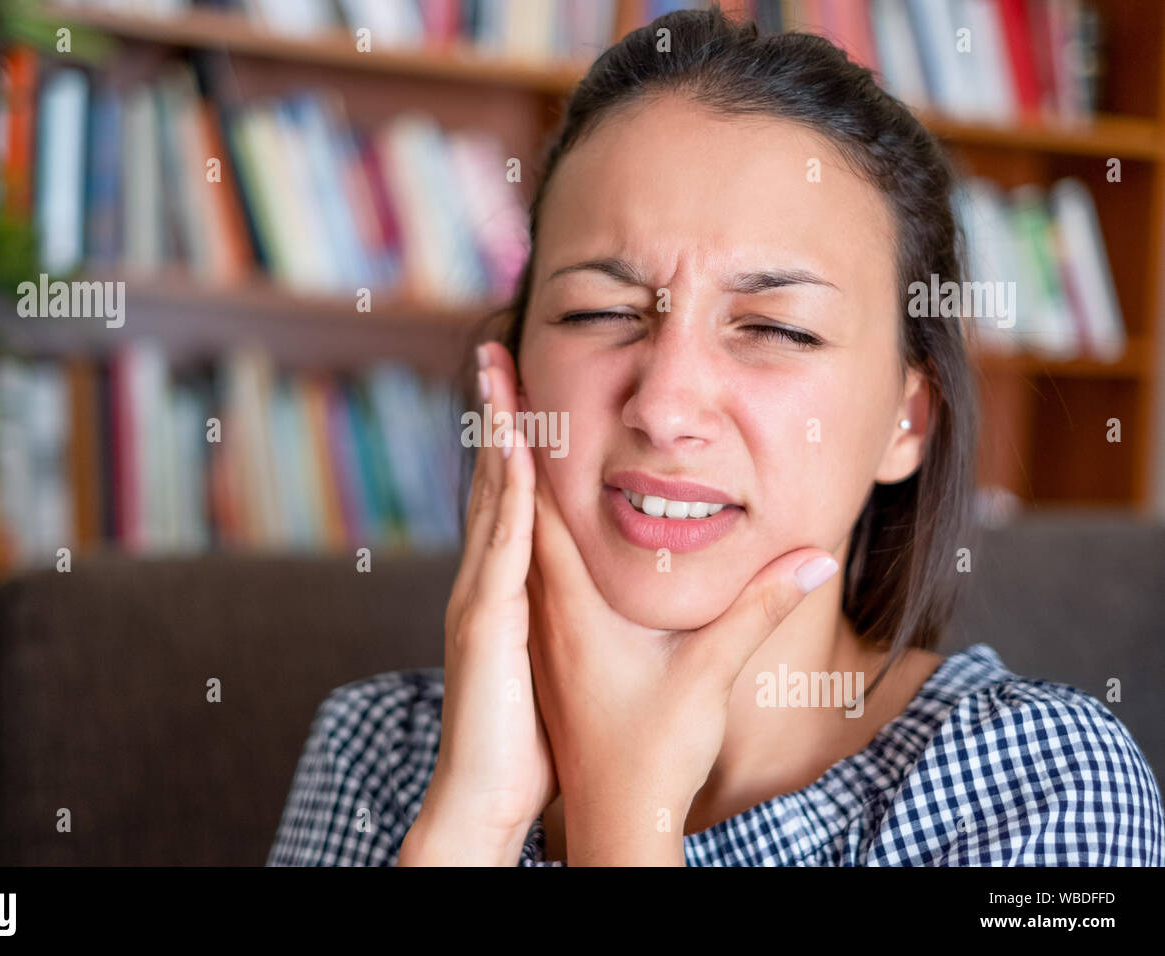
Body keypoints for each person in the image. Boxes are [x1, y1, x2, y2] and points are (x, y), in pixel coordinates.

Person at [267, 6, 1163, 866]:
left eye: (776, 328)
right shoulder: (377, 755)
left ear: (907, 421)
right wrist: (470, 829)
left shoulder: (1039, 785)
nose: (665, 404)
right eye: (601, 310)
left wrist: (626, 816)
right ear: (512, 373)